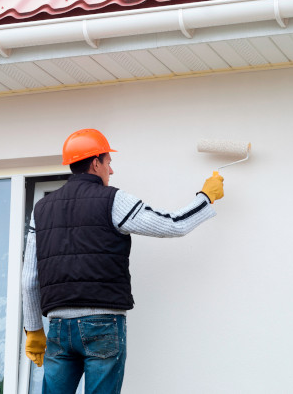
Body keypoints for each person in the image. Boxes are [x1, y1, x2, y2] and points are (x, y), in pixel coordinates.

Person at [21, 128, 224, 393]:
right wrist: (206, 197)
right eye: (109, 162)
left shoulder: (42, 208)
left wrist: (34, 330)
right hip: (102, 324)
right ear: (96, 163)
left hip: (58, 327)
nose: (111, 171)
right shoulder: (112, 200)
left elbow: (29, 279)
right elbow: (173, 225)